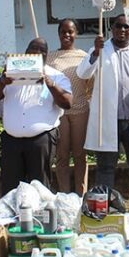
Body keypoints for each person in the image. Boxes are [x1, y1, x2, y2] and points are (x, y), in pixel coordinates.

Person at [76, 14, 129, 214]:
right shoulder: (102, 50)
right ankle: (105, 210)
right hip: (107, 120)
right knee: (105, 167)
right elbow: (82, 73)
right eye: (118, 26)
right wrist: (95, 52)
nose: (122, 30)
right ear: (111, 28)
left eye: (127, 27)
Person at [0, 38, 72, 193]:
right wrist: (2, 81)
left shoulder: (56, 76)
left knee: (39, 187)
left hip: (41, 140)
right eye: (33, 48)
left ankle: (38, 217)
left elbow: (67, 102)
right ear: (26, 51)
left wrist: (51, 84)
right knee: (11, 188)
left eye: (42, 51)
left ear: (46, 55)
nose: (37, 52)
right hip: (12, 141)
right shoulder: (11, 74)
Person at [46, 19, 92, 195]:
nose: (67, 35)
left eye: (70, 31)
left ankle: (82, 195)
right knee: (62, 156)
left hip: (81, 111)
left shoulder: (84, 57)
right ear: (58, 34)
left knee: (80, 156)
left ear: (76, 34)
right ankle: (64, 195)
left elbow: (91, 83)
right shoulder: (50, 58)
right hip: (60, 112)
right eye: (63, 31)